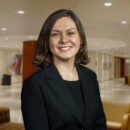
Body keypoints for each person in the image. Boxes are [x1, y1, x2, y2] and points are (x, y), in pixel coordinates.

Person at [21, 9, 107, 130]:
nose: (64, 40)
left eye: (70, 33)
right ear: (47, 41)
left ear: (80, 38)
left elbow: (100, 123)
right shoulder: (35, 84)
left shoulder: (90, 76)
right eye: (55, 34)